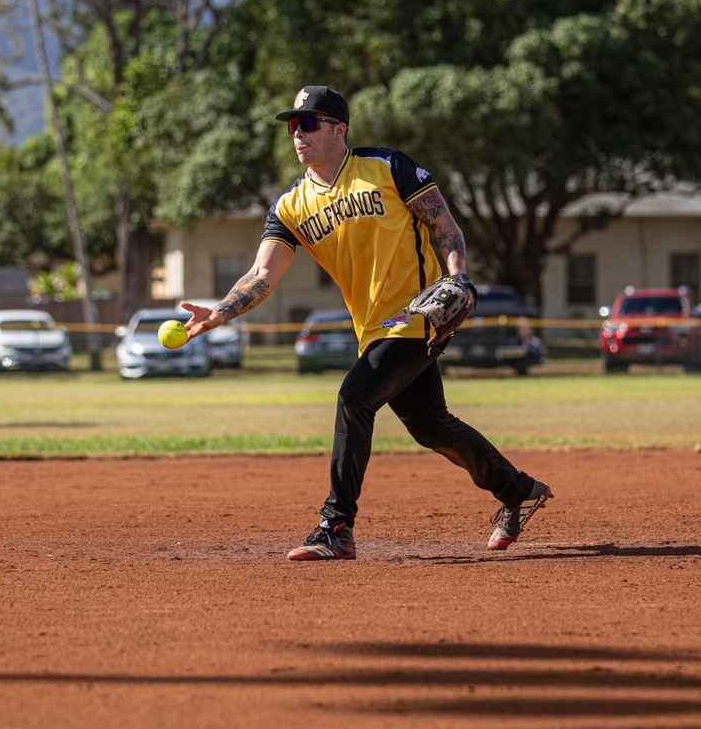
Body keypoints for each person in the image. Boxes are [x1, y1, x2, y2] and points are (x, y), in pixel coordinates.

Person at [181, 85, 552, 561]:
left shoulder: (387, 167)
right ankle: (518, 489)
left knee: (354, 400)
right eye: (293, 125)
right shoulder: (290, 205)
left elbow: (446, 228)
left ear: (339, 129)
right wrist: (220, 311)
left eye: (310, 123)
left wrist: (458, 277)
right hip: (373, 328)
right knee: (430, 426)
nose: (299, 133)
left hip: (419, 315)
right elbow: (260, 273)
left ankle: (335, 525)